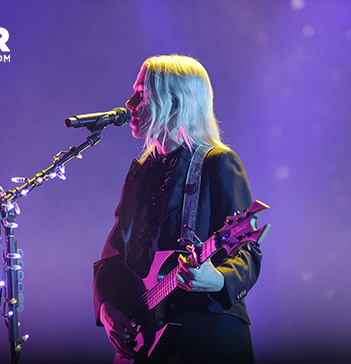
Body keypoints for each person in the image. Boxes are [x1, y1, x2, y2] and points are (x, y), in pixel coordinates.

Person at [93, 55, 262, 364]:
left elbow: (247, 251)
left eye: (142, 93)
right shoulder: (140, 171)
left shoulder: (219, 163)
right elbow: (113, 257)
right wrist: (107, 309)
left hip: (208, 336)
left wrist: (218, 279)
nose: (130, 103)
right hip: (149, 340)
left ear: (174, 100)